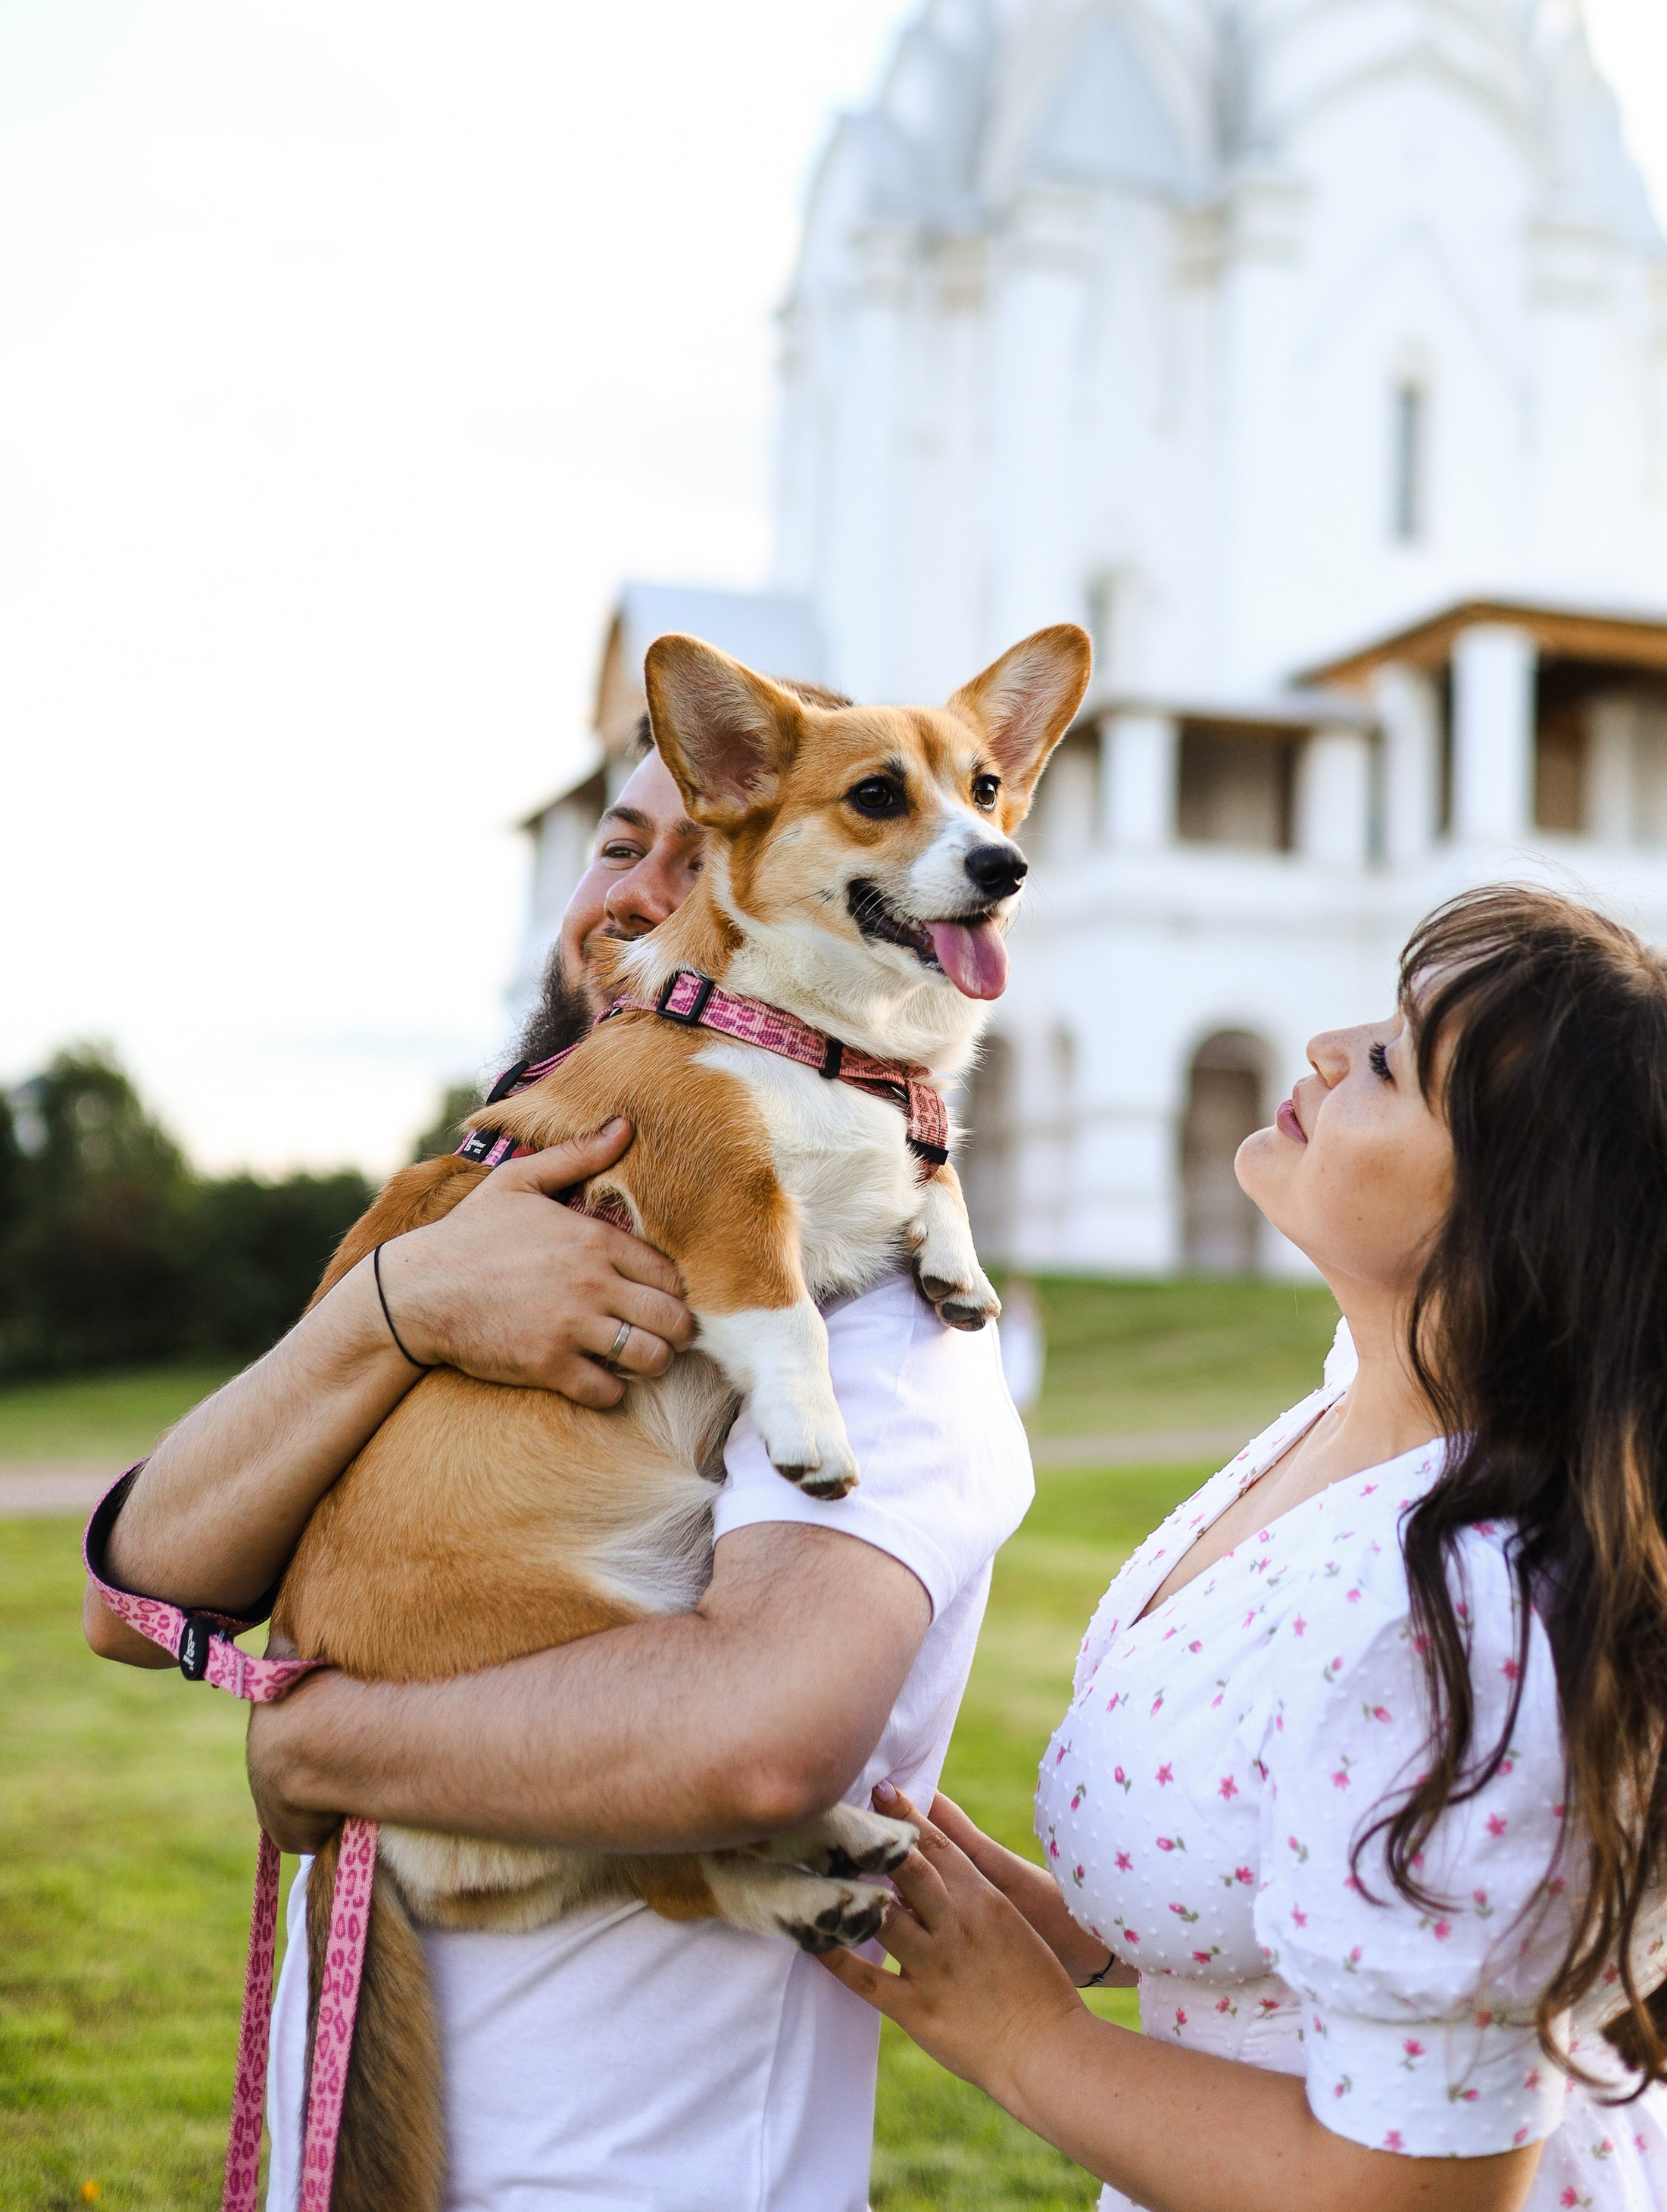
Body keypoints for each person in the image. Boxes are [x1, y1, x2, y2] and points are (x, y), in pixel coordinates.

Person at [86, 706, 1033, 2212]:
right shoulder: (452, 1202)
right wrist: (406, 1306)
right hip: (350, 2103)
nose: (640, 893)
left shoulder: (873, 1308)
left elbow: (755, 1738)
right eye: (615, 845)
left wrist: (325, 1744)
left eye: (707, 852)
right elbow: (136, 1593)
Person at [824, 887, 1667, 2212]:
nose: (1329, 1048)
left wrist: (1026, 2039)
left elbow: (1410, 2192)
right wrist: (1069, 1928)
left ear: (1515, 1220)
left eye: (1397, 1061)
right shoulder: (1373, 1403)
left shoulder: (1482, 1623)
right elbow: (1308, 1834)